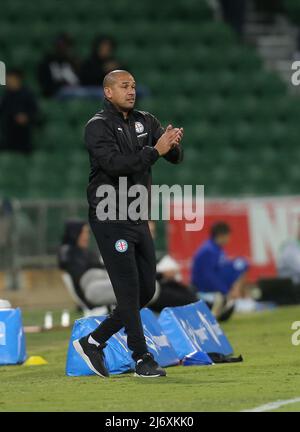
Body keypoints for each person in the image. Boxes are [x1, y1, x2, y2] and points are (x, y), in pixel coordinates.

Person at [73, 69, 183, 378]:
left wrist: (171, 145)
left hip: (136, 215)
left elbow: (174, 157)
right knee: (128, 289)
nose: (131, 90)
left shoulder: (146, 120)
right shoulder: (96, 127)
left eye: (133, 85)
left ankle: (94, 341)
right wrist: (155, 151)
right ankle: (141, 358)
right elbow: (115, 165)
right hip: (109, 214)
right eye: (124, 86)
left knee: (146, 290)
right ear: (108, 92)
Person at [191, 222, 249, 320]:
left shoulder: (216, 249)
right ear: (222, 235)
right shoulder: (209, 251)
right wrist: (224, 290)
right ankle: (233, 299)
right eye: (228, 236)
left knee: (242, 264)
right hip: (203, 290)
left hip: (216, 286)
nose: (229, 239)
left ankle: (239, 297)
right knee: (240, 266)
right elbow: (207, 276)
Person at [58, 220, 115, 314]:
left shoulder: (86, 253)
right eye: (84, 232)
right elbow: (82, 276)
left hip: (102, 283)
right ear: (75, 234)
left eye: (87, 232)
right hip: (92, 290)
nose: (87, 236)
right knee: (127, 288)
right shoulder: (69, 254)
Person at [147, 221, 197, 313]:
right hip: (148, 291)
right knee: (186, 298)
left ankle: (208, 305)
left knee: (186, 289)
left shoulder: (147, 250)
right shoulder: (134, 250)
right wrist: (163, 274)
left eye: (153, 232)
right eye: (150, 232)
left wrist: (164, 275)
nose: (152, 236)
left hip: (156, 285)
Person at [0, 69, 39, 154]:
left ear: (18, 79)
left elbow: (35, 112)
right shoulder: (6, 95)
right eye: (7, 79)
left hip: (23, 134)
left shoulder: (27, 94)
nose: (8, 82)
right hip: (8, 133)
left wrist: (26, 117)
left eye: (11, 79)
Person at [37, 33, 80, 98]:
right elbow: (45, 84)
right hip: (57, 92)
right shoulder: (47, 62)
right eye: (60, 45)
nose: (63, 48)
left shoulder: (73, 61)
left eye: (66, 45)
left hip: (76, 90)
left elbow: (79, 80)